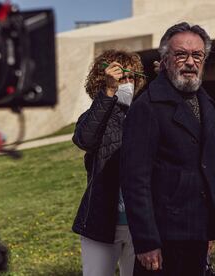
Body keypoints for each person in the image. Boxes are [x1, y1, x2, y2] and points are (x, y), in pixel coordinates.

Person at [120, 22, 215, 276]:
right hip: (163, 237)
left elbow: (210, 166)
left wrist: (211, 227)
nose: (190, 62)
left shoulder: (206, 104)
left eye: (197, 55)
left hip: (197, 231)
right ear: (165, 60)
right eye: (181, 55)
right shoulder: (146, 106)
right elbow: (135, 180)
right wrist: (146, 242)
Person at [72, 49, 146, 276]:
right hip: (102, 222)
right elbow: (84, 139)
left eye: (130, 77)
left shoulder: (144, 114)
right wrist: (109, 91)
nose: (126, 82)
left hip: (141, 224)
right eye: (119, 77)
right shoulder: (93, 115)